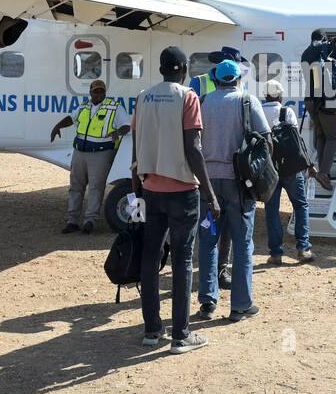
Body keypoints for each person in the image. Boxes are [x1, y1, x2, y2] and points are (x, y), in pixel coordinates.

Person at [131, 47, 220, 353]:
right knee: (182, 260)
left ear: (160, 68)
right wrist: (209, 193)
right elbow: (193, 148)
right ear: (183, 68)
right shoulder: (187, 97)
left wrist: (137, 184)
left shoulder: (143, 97)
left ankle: (152, 330)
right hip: (182, 192)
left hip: (150, 189)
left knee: (150, 258)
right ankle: (181, 335)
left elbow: (136, 142)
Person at [196, 58, 269, 320]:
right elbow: (265, 139)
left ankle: (207, 301)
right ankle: (240, 305)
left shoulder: (203, 102)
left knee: (208, 240)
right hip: (238, 183)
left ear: (215, 79)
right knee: (242, 243)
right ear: (238, 79)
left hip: (207, 183)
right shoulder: (247, 101)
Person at [50, 78, 129, 234]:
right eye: (96, 91)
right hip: (80, 152)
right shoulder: (84, 106)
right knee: (75, 187)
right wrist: (57, 126)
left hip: (101, 154)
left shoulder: (115, 107)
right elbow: (70, 118)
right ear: (90, 93)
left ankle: (90, 221)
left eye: (101, 91)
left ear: (105, 93)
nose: (98, 93)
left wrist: (117, 132)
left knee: (95, 188)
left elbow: (126, 126)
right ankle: (72, 221)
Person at [261, 79, 313, 264]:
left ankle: (276, 253)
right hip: (291, 168)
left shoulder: (259, 111)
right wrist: (308, 164)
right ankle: (303, 248)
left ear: (265, 95)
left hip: (269, 171)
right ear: (280, 95)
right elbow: (296, 140)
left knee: (272, 211)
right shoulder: (287, 112)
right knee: (300, 205)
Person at [300, 30, 336, 191]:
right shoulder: (321, 50)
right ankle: (323, 173)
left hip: (311, 101)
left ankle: (323, 171)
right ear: (323, 39)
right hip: (325, 102)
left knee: (321, 136)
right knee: (333, 137)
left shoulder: (307, 53)